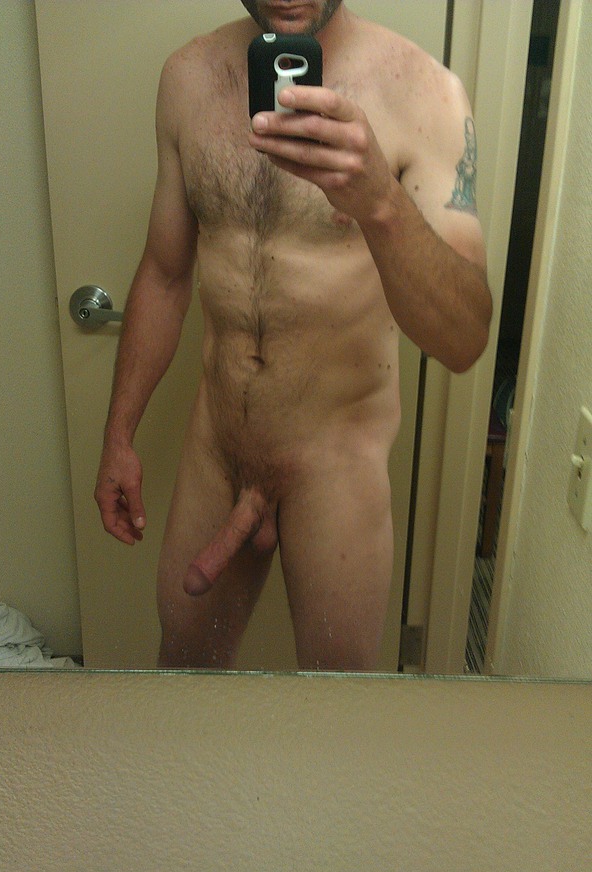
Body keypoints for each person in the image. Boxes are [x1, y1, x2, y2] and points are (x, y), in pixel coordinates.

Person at [95, 0, 492, 671]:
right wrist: (119, 435)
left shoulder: (425, 93)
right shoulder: (188, 78)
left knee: (335, 710)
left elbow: (464, 339)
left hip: (336, 466)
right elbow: (164, 274)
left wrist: (380, 201)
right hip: (217, 449)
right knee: (183, 683)